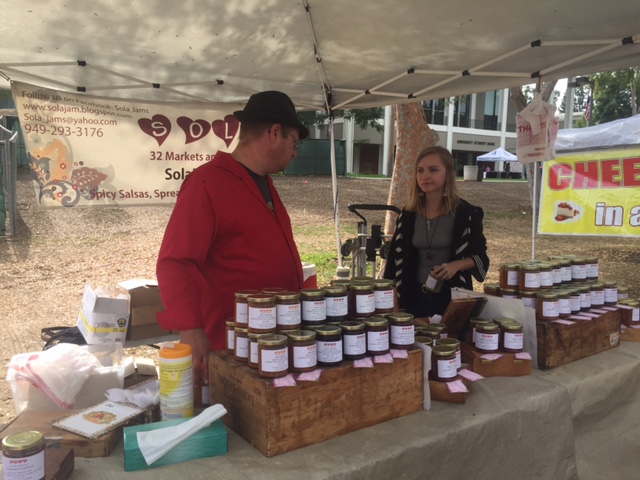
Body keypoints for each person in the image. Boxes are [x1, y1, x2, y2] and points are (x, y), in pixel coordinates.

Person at [156, 90, 309, 386]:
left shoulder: (265, 183)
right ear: (275, 132)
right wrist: (190, 328)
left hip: (273, 342)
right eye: (295, 141)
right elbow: (176, 261)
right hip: (231, 347)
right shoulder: (207, 183)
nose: (295, 151)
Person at [383, 146, 489, 320]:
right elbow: (393, 266)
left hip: (452, 297)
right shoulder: (407, 215)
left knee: (448, 344)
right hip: (412, 296)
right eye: (420, 170)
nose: (425, 176)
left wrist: (456, 265)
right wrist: (394, 309)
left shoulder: (467, 214)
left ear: (448, 174)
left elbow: (480, 257)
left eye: (433, 170)